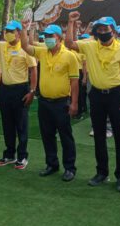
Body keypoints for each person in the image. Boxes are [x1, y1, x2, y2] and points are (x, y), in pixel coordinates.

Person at [66, 12, 120, 192]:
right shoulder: (89, 45)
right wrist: (71, 22)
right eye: (100, 30)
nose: (103, 32)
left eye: (106, 29)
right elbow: (69, 44)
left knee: (119, 135)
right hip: (96, 95)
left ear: (113, 31)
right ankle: (101, 172)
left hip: (116, 94)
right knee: (99, 134)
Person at [21, 21, 79, 182]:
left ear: (59, 37)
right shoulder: (42, 52)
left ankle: (69, 167)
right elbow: (25, 46)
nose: (47, 39)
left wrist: (74, 103)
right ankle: (51, 164)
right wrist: (24, 29)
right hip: (44, 102)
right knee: (47, 135)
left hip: (61, 102)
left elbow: (74, 81)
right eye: (45, 36)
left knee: (65, 136)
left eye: (50, 36)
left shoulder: (70, 56)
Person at [0, 14, 38, 170]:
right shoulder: (2, 46)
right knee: (7, 124)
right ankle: (9, 154)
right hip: (5, 90)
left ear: (19, 33)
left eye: (11, 31)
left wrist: (32, 91)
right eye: (6, 31)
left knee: (21, 125)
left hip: (21, 89)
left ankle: (22, 156)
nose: (8, 33)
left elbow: (33, 70)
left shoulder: (25, 48)